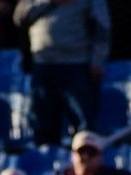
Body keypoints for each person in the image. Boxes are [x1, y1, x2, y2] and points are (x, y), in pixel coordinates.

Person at [14, 0, 109, 148]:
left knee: (84, 126)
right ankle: (46, 163)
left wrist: (98, 60)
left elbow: (102, 26)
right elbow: (20, 16)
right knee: (43, 125)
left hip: (77, 66)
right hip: (42, 66)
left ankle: (85, 162)